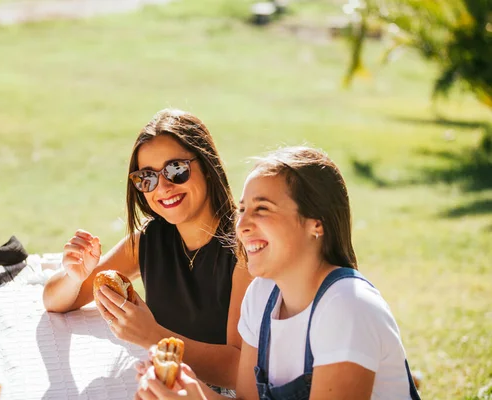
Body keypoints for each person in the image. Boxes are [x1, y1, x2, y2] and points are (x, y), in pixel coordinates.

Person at [135, 146, 421, 400]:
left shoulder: (347, 305)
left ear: (315, 224)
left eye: (262, 209)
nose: (242, 225)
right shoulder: (261, 295)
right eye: (243, 209)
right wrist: (187, 389)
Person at [42, 109, 253, 391]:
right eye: (147, 178)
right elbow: (55, 301)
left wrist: (152, 336)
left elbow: (238, 370)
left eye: (176, 170)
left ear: (207, 164)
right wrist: (75, 276)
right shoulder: (150, 240)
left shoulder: (245, 248)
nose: (163, 187)